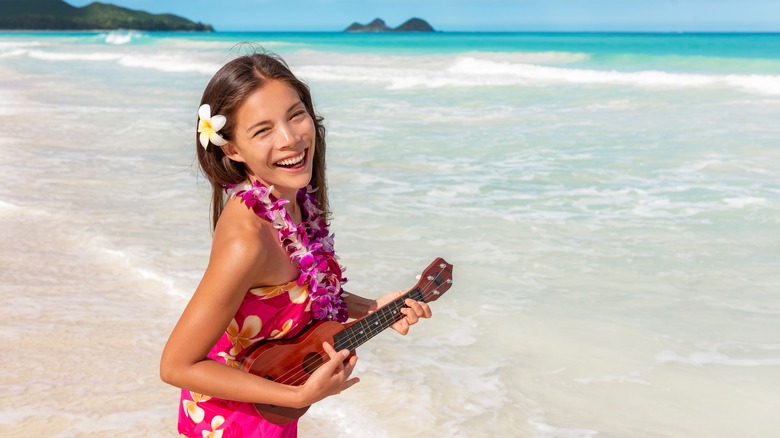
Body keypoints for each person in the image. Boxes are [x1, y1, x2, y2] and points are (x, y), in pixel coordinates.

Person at [159, 52, 432, 437]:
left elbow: (294, 293)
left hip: (271, 410)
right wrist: (300, 394)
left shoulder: (294, 199)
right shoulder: (246, 241)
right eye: (262, 130)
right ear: (232, 149)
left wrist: (372, 307)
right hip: (228, 422)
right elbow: (176, 365)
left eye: (295, 114)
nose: (290, 139)